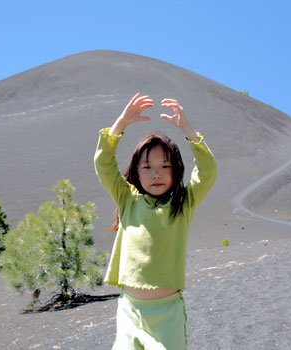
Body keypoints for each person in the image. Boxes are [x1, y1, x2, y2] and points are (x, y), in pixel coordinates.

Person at [94, 93, 217, 349]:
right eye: (147, 167)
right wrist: (121, 123)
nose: (156, 174)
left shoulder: (183, 203)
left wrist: (188, 130)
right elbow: (103, 162)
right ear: (137, 173)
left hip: (166, 316)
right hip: (129, 310)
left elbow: (208, 172)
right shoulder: (128, 199)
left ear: (176, 170)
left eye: (165, 166)